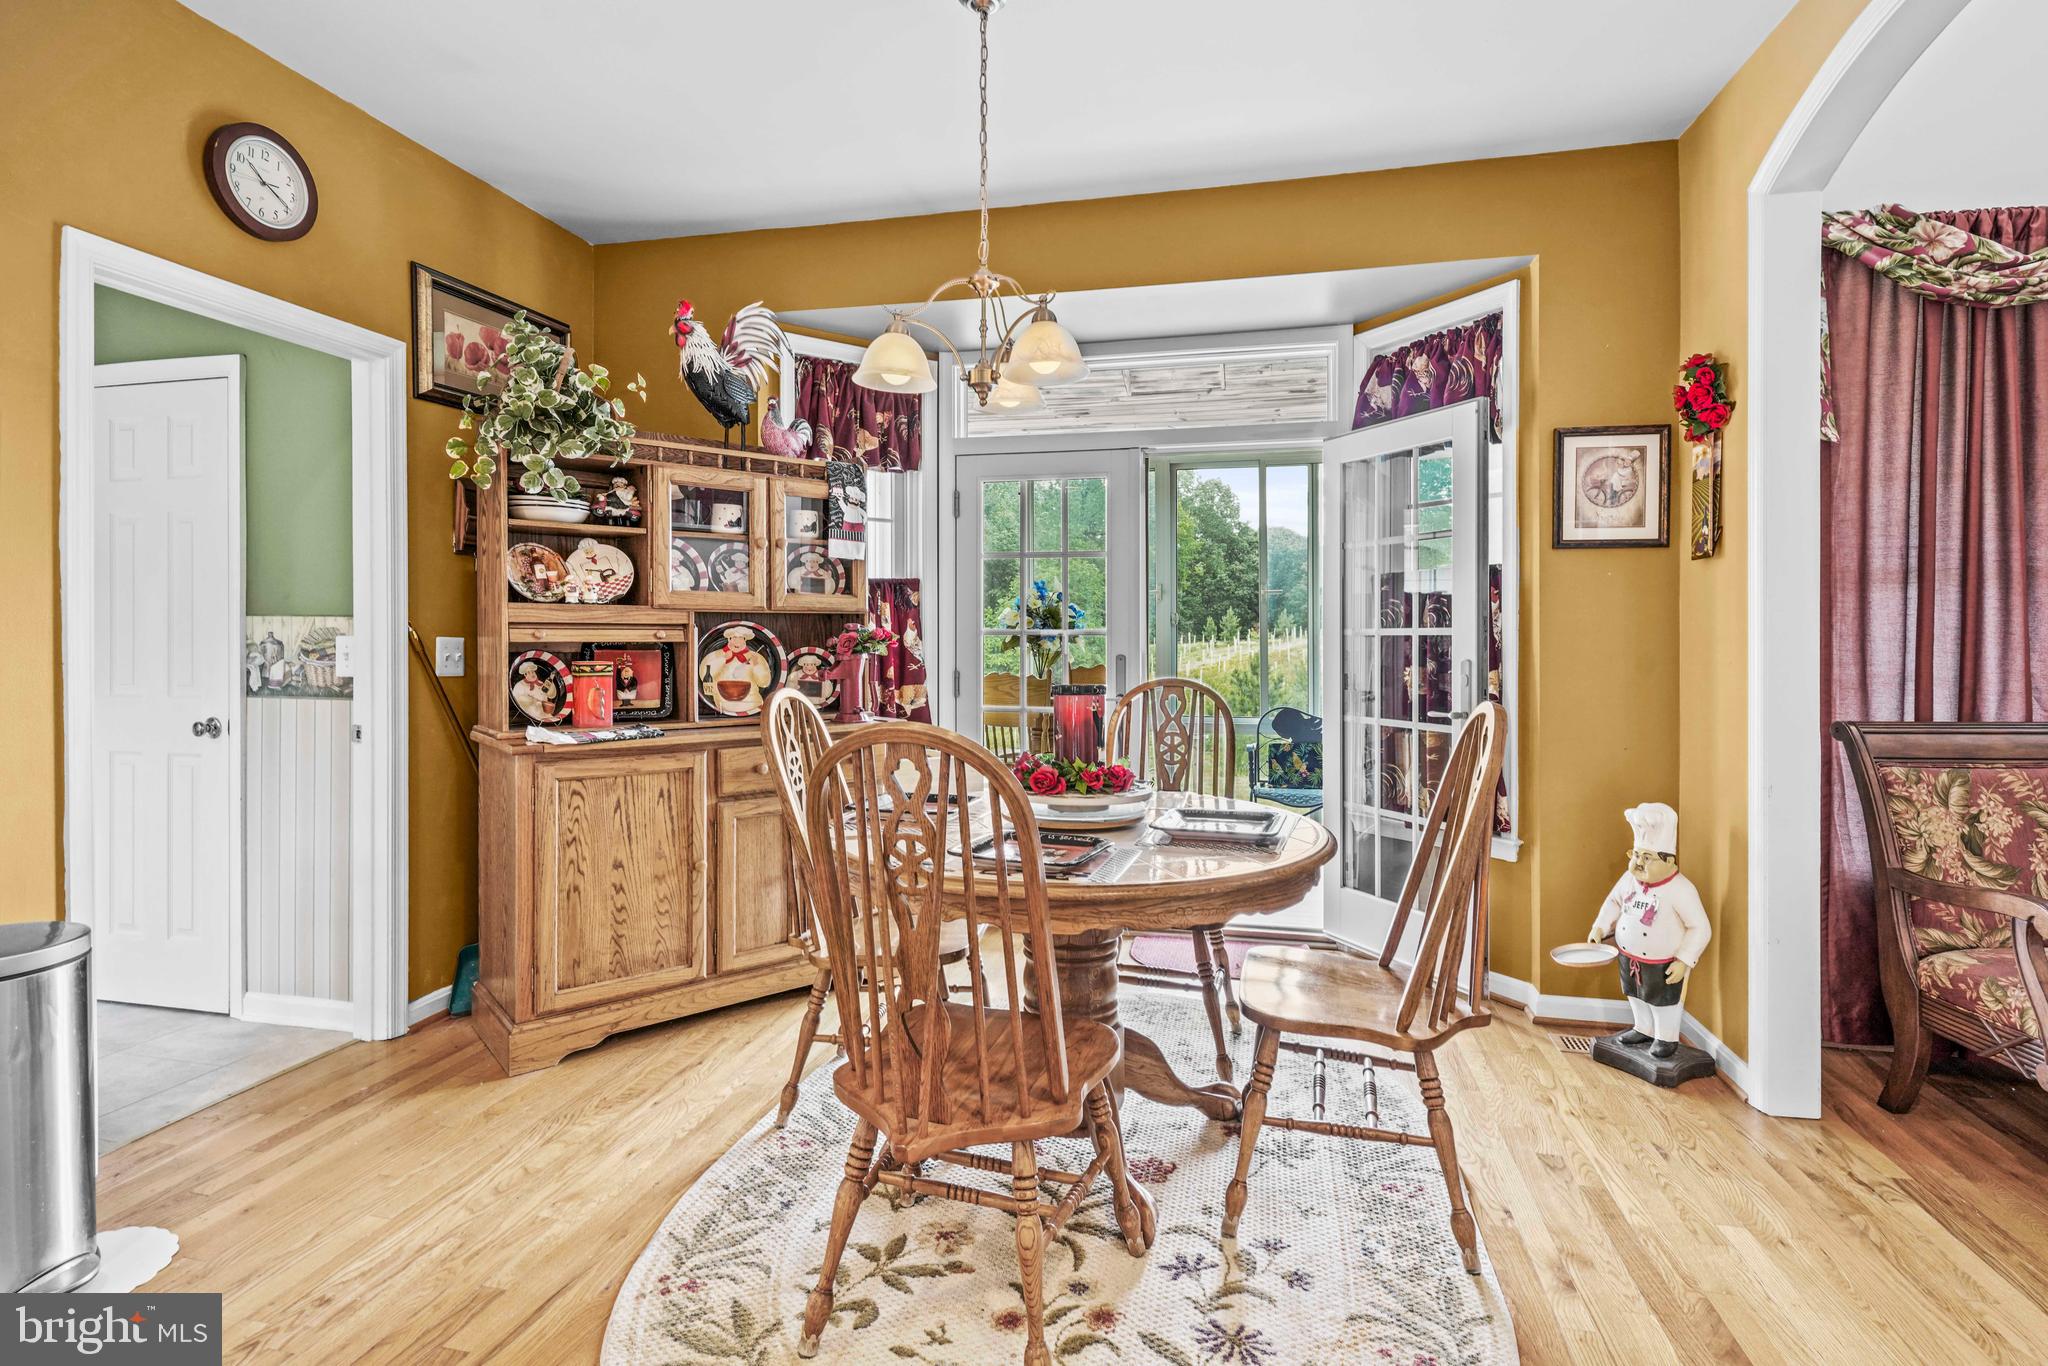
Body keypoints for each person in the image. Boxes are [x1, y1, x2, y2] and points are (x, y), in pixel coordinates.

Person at [1586, 802, 1710, 1059]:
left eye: (1647, 857)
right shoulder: (1629, 880)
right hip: (1629, 957)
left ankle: (1665, 1038)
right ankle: (1643, 1028)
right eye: (1636, 855)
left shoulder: (1680, 889)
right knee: (1636, 995)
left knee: (1664, 1003)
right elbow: (1613, 902)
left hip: (1662, 963)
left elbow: (1700, 927)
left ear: (1669, 860)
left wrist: (1685, 960)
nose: (1638, 863)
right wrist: (1600, 926)